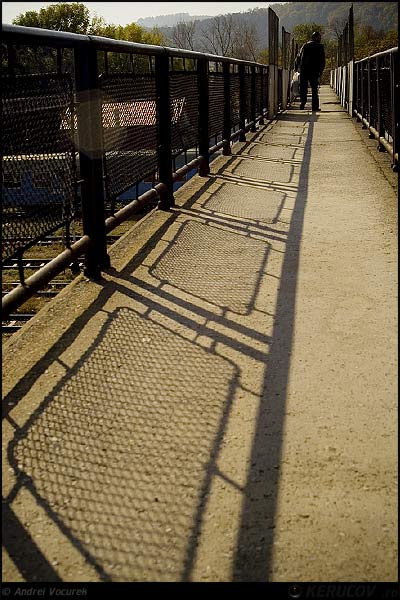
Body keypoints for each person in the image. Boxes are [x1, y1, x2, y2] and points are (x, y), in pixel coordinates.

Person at [295, 31, 326, 111]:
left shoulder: (305, 45)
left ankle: (303, 102)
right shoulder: (320, 47)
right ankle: (314, 107)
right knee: (314, 89)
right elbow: (322, 60)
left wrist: (297, 68)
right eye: (319, 37)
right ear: (316, 37)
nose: (320, 38)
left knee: (303, 87)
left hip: (304, 69)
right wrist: (321, 70)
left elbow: (298, 57)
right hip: (314, 71)